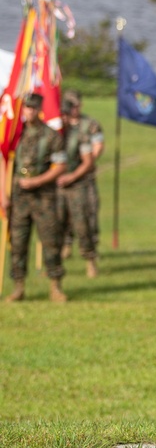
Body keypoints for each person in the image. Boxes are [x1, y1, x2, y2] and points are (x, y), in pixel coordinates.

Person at [3, 92, 68, 302]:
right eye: (26, 108)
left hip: (44, 197)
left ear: (39, 110)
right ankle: (19, 286)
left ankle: (55, 286)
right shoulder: (15, 135)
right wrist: (3, 194)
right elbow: (4, 160)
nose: (28, 111)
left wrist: (36, 181)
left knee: (50, 241)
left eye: (32, 108)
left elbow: (60, 166)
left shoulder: (51, 136)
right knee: (18, 243)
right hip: (19, 198)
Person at [57, 89, 104, 276]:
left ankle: (90, 258)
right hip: (58, 184)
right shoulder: (55, 132)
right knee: (58, 222)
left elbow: (95, 151)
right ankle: (61, 253)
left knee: (85, 220)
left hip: (81, 181)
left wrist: (75, 174)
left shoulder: (88, 126)